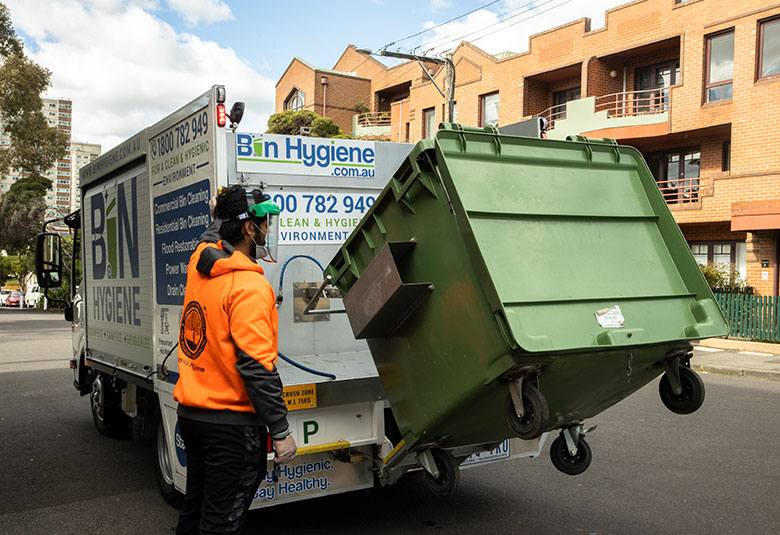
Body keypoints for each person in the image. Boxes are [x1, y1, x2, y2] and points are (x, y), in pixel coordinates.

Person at [174, 185, 296, 534]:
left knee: (194, 511)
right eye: (264, 224)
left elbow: (207, 239)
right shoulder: (249, 287)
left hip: (194, 418)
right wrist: (281, 431)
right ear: (248, 228)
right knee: (221, 522)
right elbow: (256, 367)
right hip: (231, 427)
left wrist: (219, 214)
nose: (268, 232)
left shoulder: (199, 265)